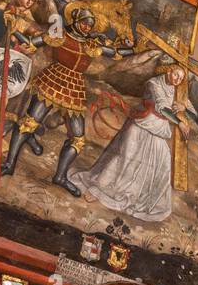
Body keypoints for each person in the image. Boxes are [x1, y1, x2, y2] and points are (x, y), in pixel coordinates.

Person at [0, 4, 137, 194]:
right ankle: (9, 164)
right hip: (53, 80)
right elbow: (31, 43)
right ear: (76, 21)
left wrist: (133, 48)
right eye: (84, 23)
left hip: (74, 89)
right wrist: (12, 27)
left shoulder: (91, 44)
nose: (87, 27)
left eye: (89, 25)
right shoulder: (59, 35)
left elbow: (117, 54)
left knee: (78, 139)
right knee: (28, 123)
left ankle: (60, 176)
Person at [71, 66, 188, 222]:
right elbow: (161, 106)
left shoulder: (177, 91)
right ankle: (99, 189)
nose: (178, 80)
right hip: (142, 124)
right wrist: (179, 123)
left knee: (163, 162)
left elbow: (195, 113)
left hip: (159, 130)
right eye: (176, 75)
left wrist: (184, 106)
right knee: (127, 158)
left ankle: (141, 196)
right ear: (168, 72)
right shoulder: (153, 84)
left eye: (181, 78)